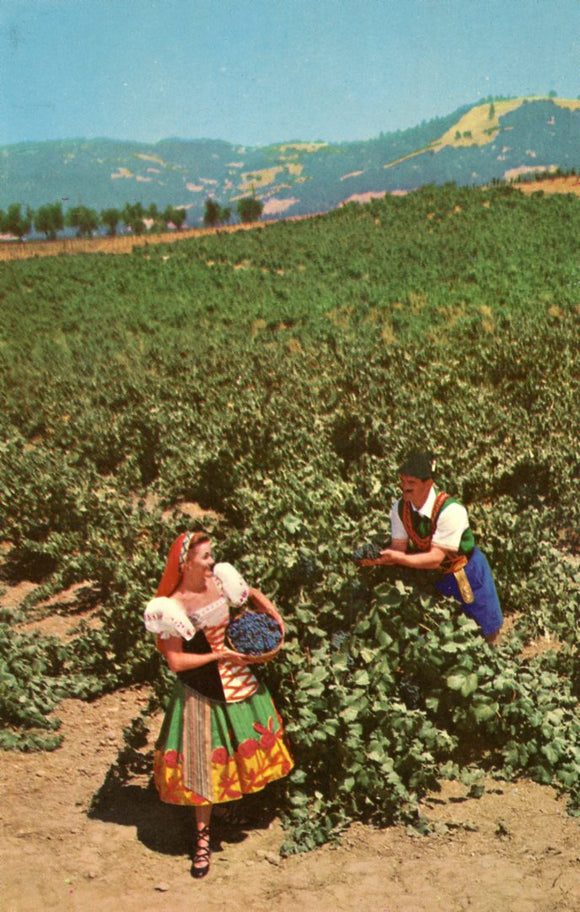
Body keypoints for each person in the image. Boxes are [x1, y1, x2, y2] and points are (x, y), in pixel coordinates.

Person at [145, 531, 294, 879]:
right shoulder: (173, 605)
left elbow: (248, 593)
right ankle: (202, 839)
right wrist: (219, 656)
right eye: (205, 557)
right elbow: (176, 663)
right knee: (202, 762)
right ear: (185, 564)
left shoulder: (218, 580)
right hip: (201, 686)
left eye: (211, 555)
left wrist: (271, 612)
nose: (212, 562)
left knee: (232, 749)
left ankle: (222, 809)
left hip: (234, 674)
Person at [360, 451, 503, 645]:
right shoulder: (400, 509)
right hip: (437, 576)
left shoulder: (451, 510)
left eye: (411, 482)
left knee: (487, 627)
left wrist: (398, 558)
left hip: (467, 573)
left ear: (428, 483)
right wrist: (379, 557)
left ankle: (493, 657)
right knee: (449, 632)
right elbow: (399, 547)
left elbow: (435, 557)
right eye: (402, 481)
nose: (404, 487)